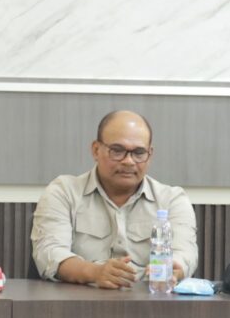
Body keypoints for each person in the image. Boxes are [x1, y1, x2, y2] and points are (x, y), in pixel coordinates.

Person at [31, 110, 198, 289]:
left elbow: (185, 253)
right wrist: (94, 272)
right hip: (80, 300)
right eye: (117, 151)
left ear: (150, 154)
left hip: (151, 298)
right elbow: (49, 252)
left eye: (139, 152)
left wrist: (175, 269)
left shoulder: (172, 200)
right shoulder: (63, 192)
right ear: (96, 150)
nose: (129, 161)